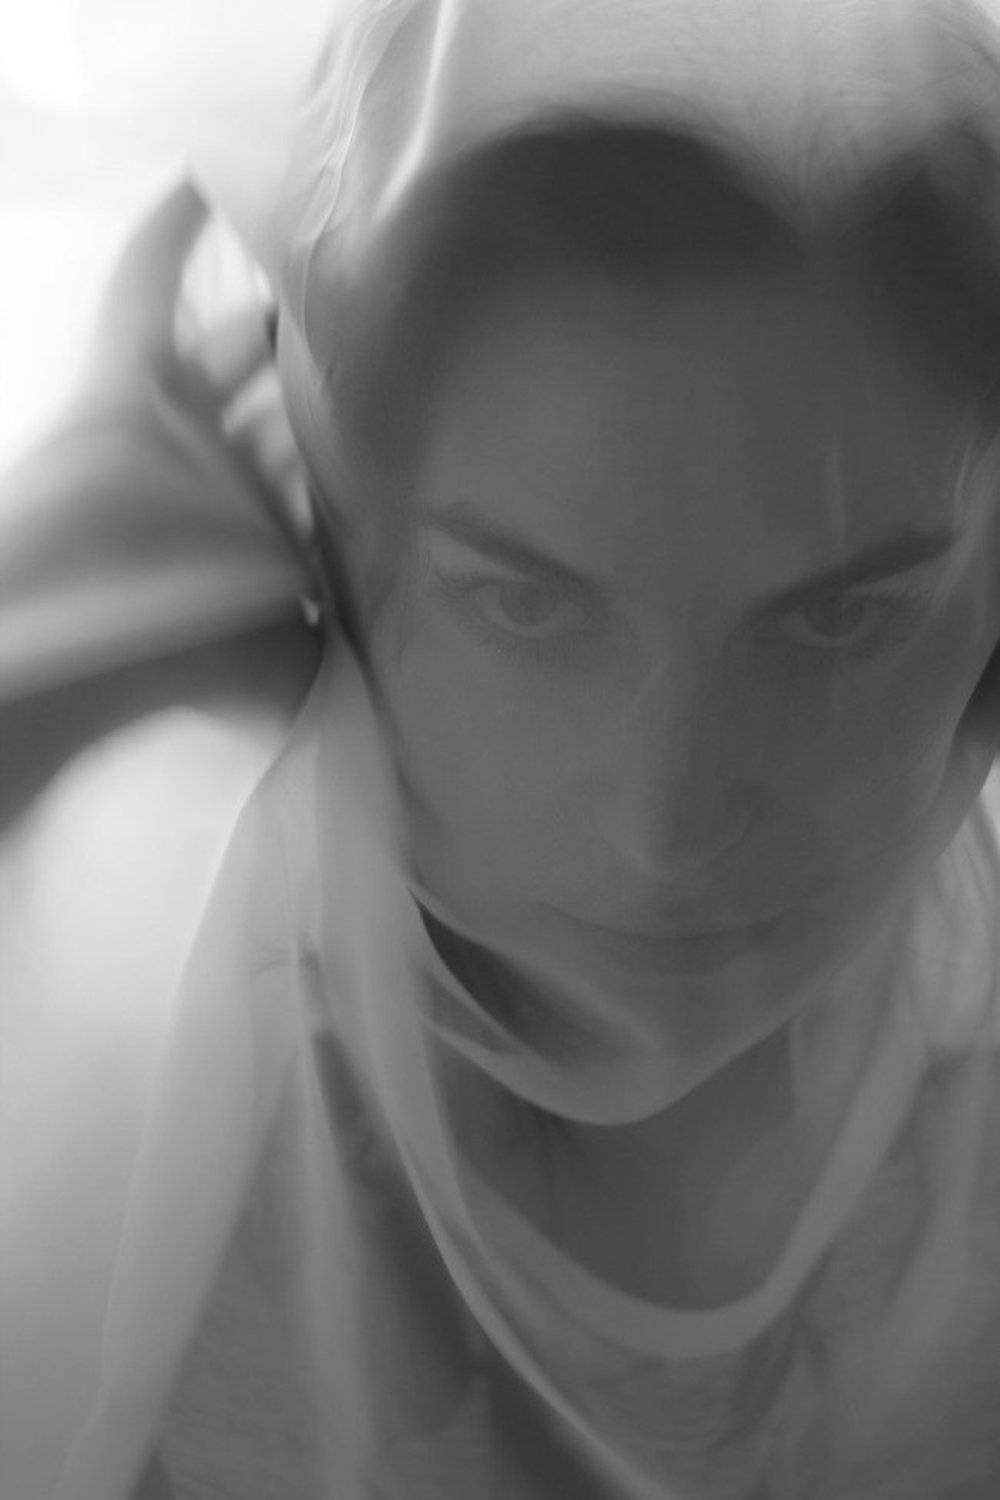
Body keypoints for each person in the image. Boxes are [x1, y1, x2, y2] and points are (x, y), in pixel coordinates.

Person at [7, 1, 1000, 1496]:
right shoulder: (131, 1102)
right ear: (326, 524)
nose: (668, 822)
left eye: (837, 622)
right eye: (527, 609)